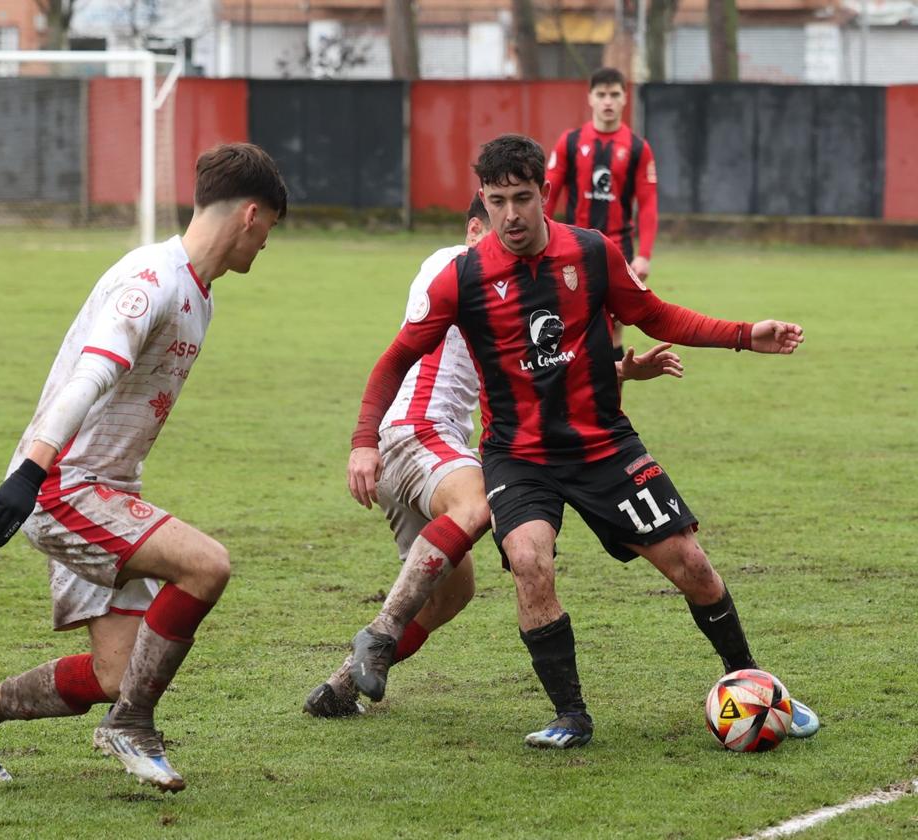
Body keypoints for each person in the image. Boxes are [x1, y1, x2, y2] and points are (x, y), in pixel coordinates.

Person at [344, 133, 819, 749]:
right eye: (496, 201)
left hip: (604, 447)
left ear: (545, 193)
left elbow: (657, 315)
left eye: (522, 198)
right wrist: (363, 441)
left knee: (693, 566)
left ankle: (753, 684)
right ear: (481, 203)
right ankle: (570, 715)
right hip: (519, 457)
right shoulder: (462, 280)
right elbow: (393, 361)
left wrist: (743, 334)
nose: (510, 215)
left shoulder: (591, 253)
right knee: (529, 562)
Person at [0, 143, 287, 791]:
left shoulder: (200, 295)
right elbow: (91, 376)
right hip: (65, 485)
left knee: (116, 675)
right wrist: (30, 473)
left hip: (102, 487)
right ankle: (133, 728)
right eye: (269, 231)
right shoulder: (150, 282)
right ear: (251, 216)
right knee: (207, 565)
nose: (266, 246)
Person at [304, 197, 684, 717]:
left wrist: (616, 371)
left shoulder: (505, 286)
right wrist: (362, 439)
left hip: (432, 452)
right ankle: (378, 632)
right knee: (481, 503)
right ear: (472, 229)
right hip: (415, 432)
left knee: (451, 595)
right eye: (495, 222)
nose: (510, 235)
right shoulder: (453, 267)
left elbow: (540, 367)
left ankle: (341, 687)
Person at [546, 67, 658, 354]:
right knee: (572, 325)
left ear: (624, 99)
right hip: (573, 247)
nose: (608, 101)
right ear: (590, 99)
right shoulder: (570, 142)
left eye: (614, 95)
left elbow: (647, 204)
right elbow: (546, 195)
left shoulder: (637, 148)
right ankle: (575, 396)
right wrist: (543, 240)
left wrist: (644, 255)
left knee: (615, 327)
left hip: (618, 249)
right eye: (602, 94)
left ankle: (612, 401)